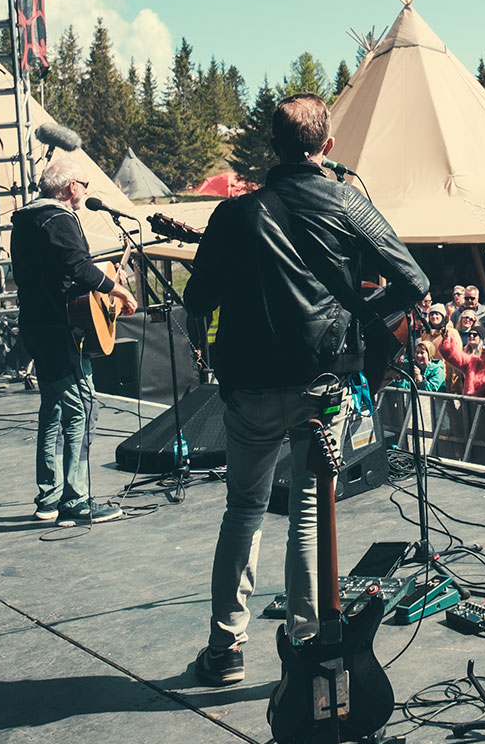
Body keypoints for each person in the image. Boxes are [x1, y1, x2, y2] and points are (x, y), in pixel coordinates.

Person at [183, 93, 429, 687]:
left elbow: (197, 302)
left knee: (243, 510)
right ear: (328, 145)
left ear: (273, 147)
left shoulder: (235, 215)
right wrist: (360, 317)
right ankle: (306, 645)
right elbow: (413, 280)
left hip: (250, 390)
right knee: (309, 513)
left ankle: (226, 649)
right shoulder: (348, 199)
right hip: (323, 386)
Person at [10, 160, 138, 525]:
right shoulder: (60, 218)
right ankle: (76, 500)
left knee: (51, 409)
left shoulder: (25, 221)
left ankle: (48, 498)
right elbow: (79, 268)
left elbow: (55, 273)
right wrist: (119, 290)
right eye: (84, 183)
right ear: (70, 187)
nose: (85, 189)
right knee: (81, 408)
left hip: (36, 326)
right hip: (59, 330)